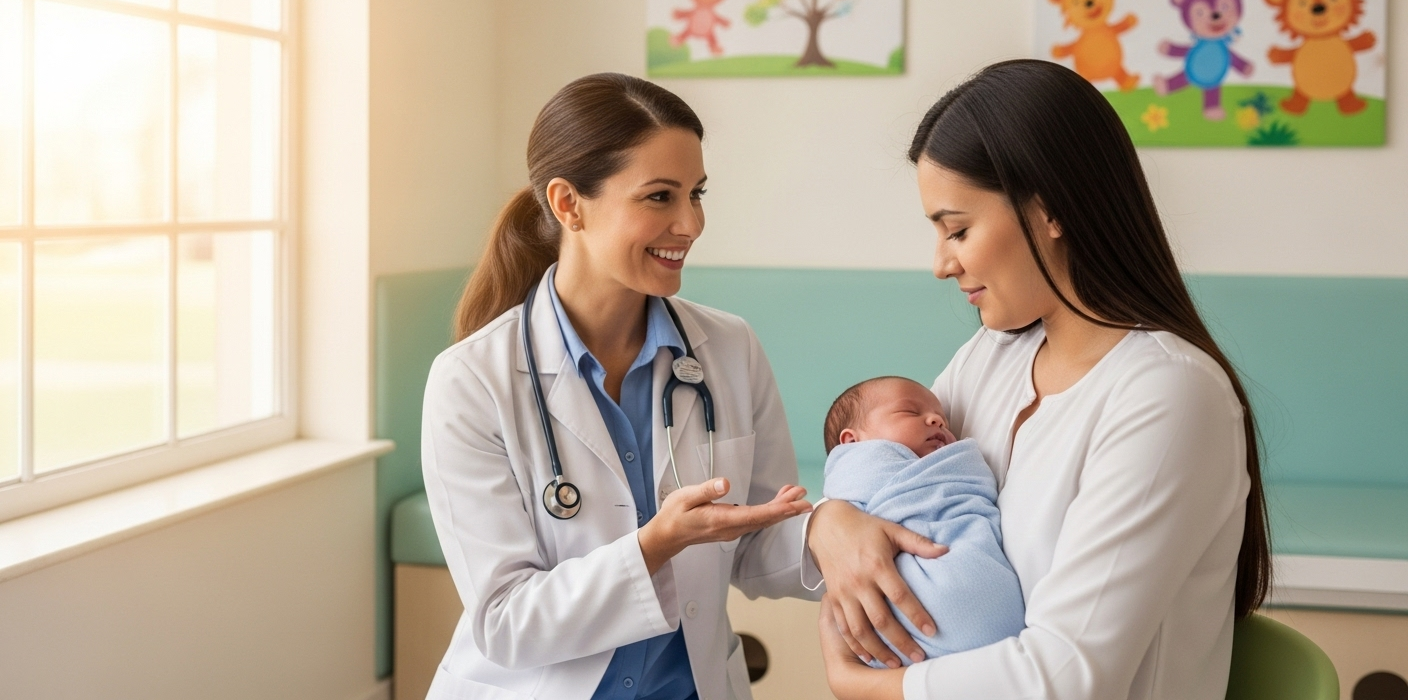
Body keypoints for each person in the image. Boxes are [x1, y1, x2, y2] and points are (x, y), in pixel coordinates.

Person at [805, 59, 1272, 699]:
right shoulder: (992, 357)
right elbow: (888, 479)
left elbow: (1067, 678)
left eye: (959, 230)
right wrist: (829, 519)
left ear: (1049, 211)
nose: (942, 264)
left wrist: (859, 684)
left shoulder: (1167, 394)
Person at [420, 72, 817, 700]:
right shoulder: (471, 382)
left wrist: (834, 533)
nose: (690, 223)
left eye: (697, 193)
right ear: (568, 203)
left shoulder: (729, 348)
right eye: (660, 196)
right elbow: (503, 621)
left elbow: (758, 537)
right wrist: (654, 547)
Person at [820, 376, 1026, 663]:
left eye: (943, 421)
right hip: (906, 638)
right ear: (852, 442)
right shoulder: (856, 477)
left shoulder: (955, 469)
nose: (936, 421)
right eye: (910, 412)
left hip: (1002, 632)